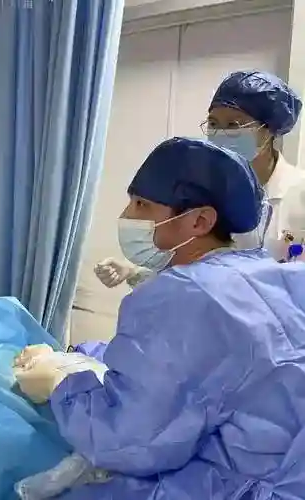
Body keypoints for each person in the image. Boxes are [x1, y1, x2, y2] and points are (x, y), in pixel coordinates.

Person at [17, 137, 305, 499]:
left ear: (200, 220)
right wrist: (87, 354)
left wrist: (60, 386)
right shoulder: (273, 273)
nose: (127, 216)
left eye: (142, 204)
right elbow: (213, 370)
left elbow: (128, 441)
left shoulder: (186, 295)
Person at [96, 70, 305, 289]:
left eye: (234, 125)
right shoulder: (205, 190)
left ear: (269, 130)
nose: (220, 133)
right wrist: (135, 271)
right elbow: (190, 265)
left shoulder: (299, 192)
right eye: (213, 123)